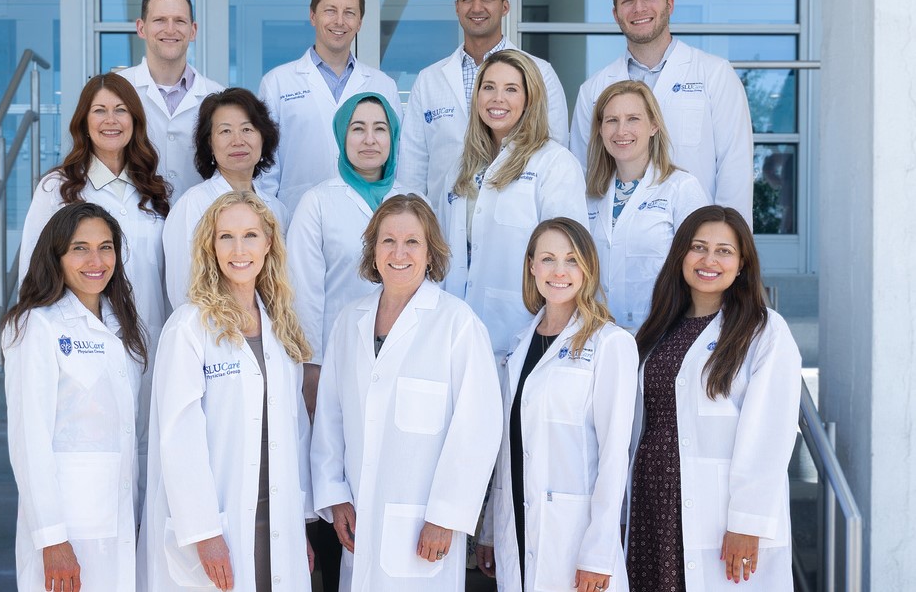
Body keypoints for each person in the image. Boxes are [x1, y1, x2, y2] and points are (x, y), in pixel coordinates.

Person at [311, 194, 503, 592]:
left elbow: (478, 429)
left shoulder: (457, 324)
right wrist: (334, 494)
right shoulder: (350, 321)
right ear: (374, 251)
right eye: (388, 241)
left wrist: (446, 516)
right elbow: (330, 416)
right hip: (359, 522)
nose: (399, 253)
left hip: (422, 530)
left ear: (431, 252)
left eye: (412, 242)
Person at [138, 191, 315, 592]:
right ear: (210, 246)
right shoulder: (189, 328)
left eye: (250, 236)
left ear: (269, 244)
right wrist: (203, 531)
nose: (239, 250)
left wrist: (297, 525)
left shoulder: (281, 327)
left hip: (276, 521)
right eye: (226, 237)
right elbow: (178, 436)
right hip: (217, 523)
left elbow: (296, 430)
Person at [627, 205, 801, 591]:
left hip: (715, 510)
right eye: (698, 247)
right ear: (681, 257)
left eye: (724, 251)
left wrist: (747, 522)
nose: (709, 260)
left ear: (741, 265)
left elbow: (770, 433)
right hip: (650, 501)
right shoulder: (657, 327)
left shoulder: (763, 330)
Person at [19, 72, 169, 507]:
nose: (110, 119)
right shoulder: (58, 188)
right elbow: (34, 274)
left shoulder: (154, 191)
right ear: (84, 121)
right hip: (82, 346)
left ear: (135, 121)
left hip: (152, 340)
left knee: (149, 450)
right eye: (99, 110)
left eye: (121, 109)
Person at [286, 90, 410, 591]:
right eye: (357, 127)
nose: (369, 138)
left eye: (380, 128)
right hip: (338, 366)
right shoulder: (318, 201)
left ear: (393, 137)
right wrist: (311, 369)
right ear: (341, 136)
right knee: (341, 478)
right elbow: (302, 290)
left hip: (403, 360)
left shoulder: (412, 199)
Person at [476, 217, 637, 592]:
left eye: (572, 259)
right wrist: (488, 529)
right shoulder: (517, 347)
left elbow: (615, 456)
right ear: (531, 266)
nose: (559, 271)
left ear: (588, 268)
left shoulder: (610, 344)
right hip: (515, 525)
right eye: (548, 259)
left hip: (575, 538)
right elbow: (506, 449)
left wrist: (600, 553)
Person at [3, 202, 148, 592]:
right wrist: (52, 538)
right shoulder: (36, 325)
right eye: (79, 248)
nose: (96, 260)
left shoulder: (122, 323)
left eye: (106, 246)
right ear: (56, 256)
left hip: (118, 513)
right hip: (67, 525)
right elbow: (28, 438)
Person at [569, 0, 754, 225]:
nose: (639, 8)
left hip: (695, 238)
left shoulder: (715, 74)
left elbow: (735, 168)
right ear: (615, 13)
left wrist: (730, 244)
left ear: (670, 4)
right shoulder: (593, 90)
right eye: (628, 1)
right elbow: (582, 175)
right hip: (617, 241)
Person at [438, 48, 586, 360]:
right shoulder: (460, 168)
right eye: (488, 87)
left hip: (522, 330)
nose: (497, 98)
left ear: (529, 99)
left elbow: (569, 263)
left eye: (511, 89)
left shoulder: (554, 164)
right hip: (455, 329)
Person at [398, 0, 569, 208]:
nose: (476, 7)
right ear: (456, 7)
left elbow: (555, 151)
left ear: (505, 6)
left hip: (516, 222)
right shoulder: (429, 80)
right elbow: (412, 166)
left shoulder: (540, 73)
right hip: (442, 227)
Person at [257, 0, 403, 212]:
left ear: (360, 21)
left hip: (369, 216)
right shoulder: (278, 82)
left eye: (349, 12)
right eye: (330, 10)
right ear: (313, 15)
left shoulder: (383, 85)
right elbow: (266, 165)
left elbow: (395, 162)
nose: (339, 21)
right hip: (295, 216)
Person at [585, 80, 710, 332]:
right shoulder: (588, 193)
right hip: (597, 336)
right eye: (611, 120)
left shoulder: (682, 188)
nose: (621, 131)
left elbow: (701, 266)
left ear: (653, 125)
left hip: (661, 335)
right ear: (600, 129)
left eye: (633, 119)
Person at [163, 87, 290, 309]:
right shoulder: (193, 205)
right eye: (225, 131)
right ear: (209, 144)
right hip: (212, 334)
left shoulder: (277, 210)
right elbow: (182, 292)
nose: (238, 140)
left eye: (247, 129)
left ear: (263, 137)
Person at [117, 0, 225, 203]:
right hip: (132, 220)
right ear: (141, 28)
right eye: (159, 20)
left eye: (179, 21)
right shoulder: (117, 90)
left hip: (199, 224)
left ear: (192, 30)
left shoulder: (217, 96)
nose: (170, 29)